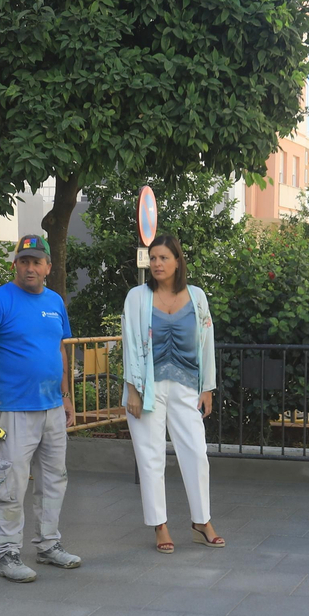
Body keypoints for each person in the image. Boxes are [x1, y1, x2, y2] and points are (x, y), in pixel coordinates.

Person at [0, 234, 83, 582]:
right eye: (24, 261)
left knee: (54, 480)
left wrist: (66, 396)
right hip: (14, 411)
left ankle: (49, 545)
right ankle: (7, 554)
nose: (30, 268)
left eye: (37, 262)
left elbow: (60, 350)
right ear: (15, 265)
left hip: (52, 407)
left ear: (48, 267)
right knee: (9, 483)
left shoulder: (55, 302)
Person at [122, 234, 224, 553]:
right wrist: (133, 390)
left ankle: (201, 521)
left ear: (178, 261)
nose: (157, 264)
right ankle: (160, 525)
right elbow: (129, 344)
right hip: (146, 389)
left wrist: (207, 388)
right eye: (153, 258)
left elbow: (206, 344)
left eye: (164, 258)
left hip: (187, 387)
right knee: (151, 457)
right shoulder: (137, 297)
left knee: (196, 453)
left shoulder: (196, 296)